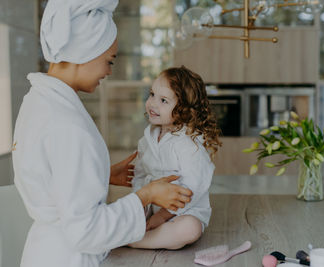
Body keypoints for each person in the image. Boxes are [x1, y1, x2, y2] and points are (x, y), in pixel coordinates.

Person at [12, 1, 192, 267]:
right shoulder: (66, 123)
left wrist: (101, 173)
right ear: (86, 50)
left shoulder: (38, 102)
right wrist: (147, 195)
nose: (109, 71)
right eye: (108, 61)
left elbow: (50, 174)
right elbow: (86, 230)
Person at [128, 66, 222, 250]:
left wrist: (162, 216)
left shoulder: (189, 144)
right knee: (123, 210)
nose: (153, 104)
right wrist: (141, 204)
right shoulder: (147, 140)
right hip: (153, 208)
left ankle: (137, 241)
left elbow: (193, 187)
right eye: (152, 94)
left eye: (163, 100)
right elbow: (139, 175)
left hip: (184, 212)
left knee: (190, 229)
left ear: (184, 110)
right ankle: (143, 233)